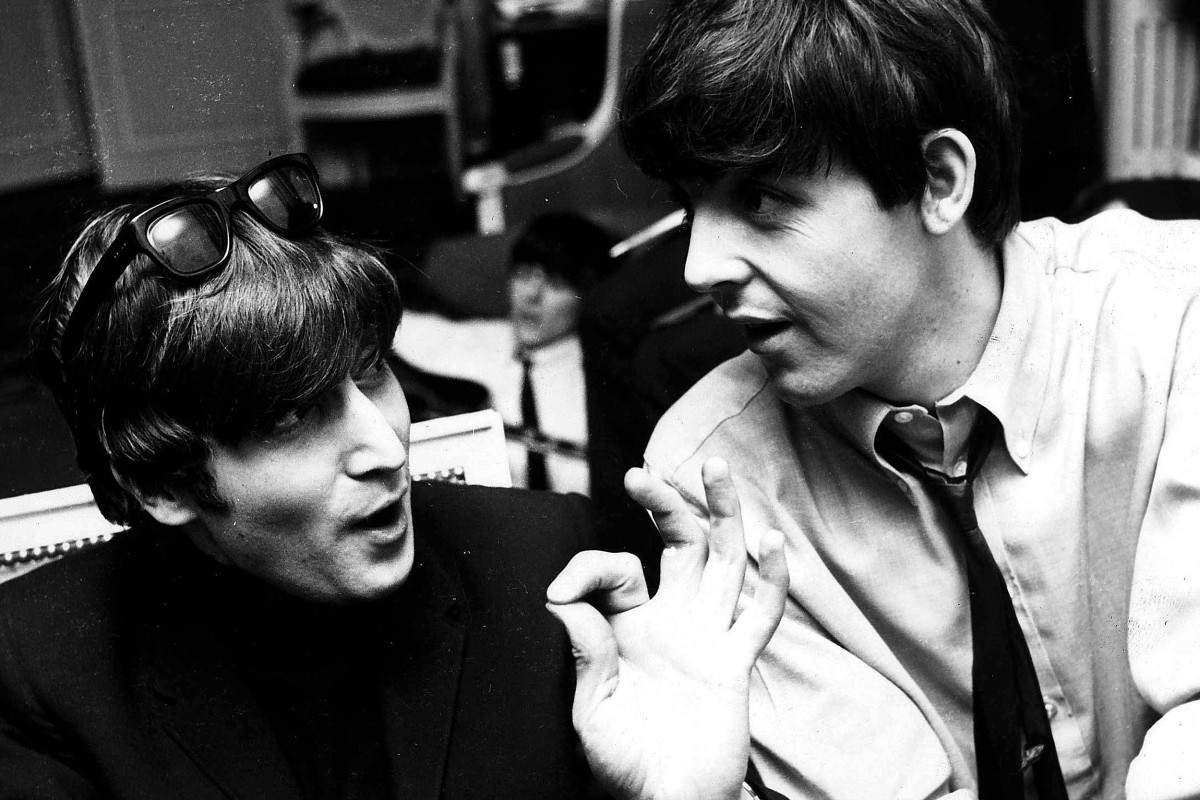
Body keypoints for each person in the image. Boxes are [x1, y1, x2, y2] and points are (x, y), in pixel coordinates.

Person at [546, 1, 1200, 799]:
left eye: (761, 200)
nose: (697, 266)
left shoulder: (1175, 320)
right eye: (691, 206)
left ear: (939, 181)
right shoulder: (712, 479)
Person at [0, 154, 596, 798]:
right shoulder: (41, 671)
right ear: (161, 486)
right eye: (292, 413)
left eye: (370, 369)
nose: (387, 449)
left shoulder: (546, 562)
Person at [397, 211, 615, 494]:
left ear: (587, 293)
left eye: (556, 282)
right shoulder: (483, 338)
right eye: (524, 275)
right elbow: (390, 324)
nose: (532, 295)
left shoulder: (603, 372)